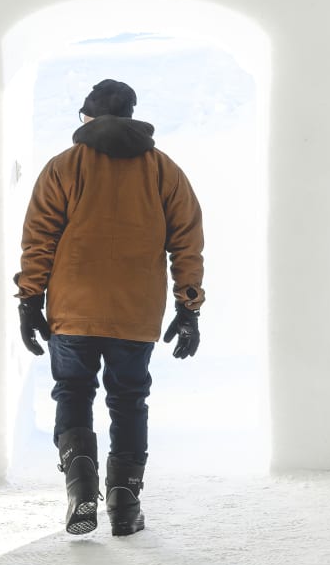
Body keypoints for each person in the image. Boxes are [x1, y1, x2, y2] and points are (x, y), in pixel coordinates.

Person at [13, 78, 205, 536]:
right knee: (129, 400)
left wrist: (29, 300)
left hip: (72, 308)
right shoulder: (163, 170)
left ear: (86, 117)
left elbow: (39, 239)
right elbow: (187, 240)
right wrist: (188, 305)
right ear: (133, 115)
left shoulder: (63, 166)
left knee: (74, 393)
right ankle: (124, 504)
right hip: (135, 312)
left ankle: (80, 492)